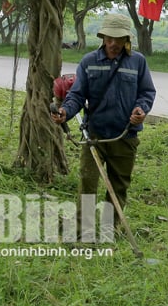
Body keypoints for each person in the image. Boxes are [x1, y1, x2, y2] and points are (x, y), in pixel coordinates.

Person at [52, 12, 156, 216]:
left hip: (124, 135)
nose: (113, 43)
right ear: (103, 38)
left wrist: (141, 109)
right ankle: (85, 233)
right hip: (94, 136)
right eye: (109, 38)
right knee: (87, 185)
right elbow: (77, 95)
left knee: (118, 186)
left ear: (126, 40)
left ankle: (112, 228)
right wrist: (65, 112)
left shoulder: (137, 62)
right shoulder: (89, 61)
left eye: (118, 39)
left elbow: (147, 92)